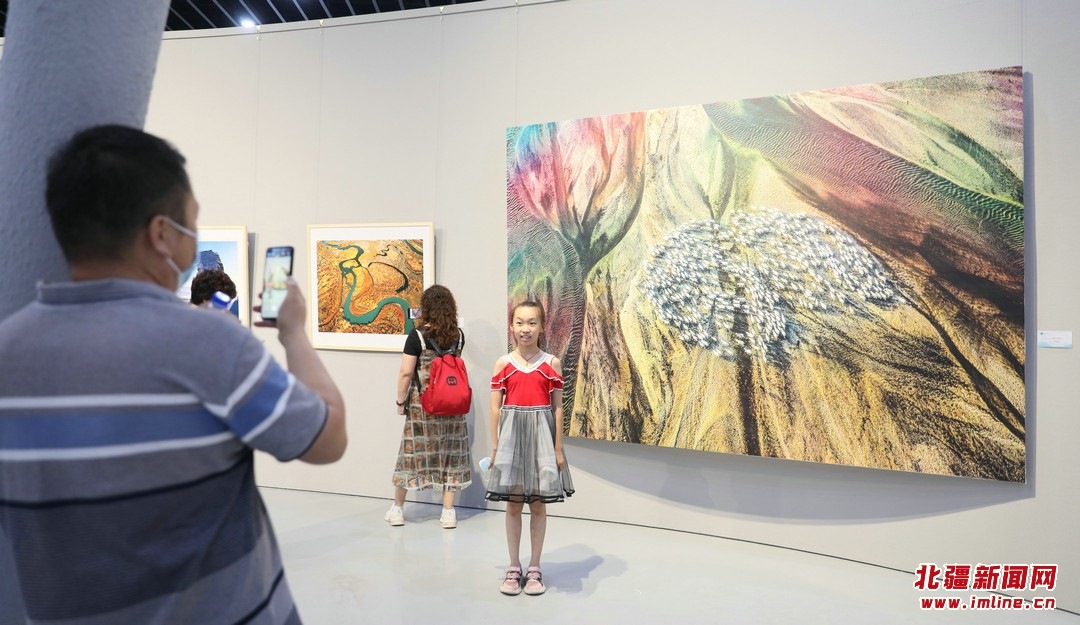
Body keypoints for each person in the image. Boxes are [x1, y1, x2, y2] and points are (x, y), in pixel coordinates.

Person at [0, 125, 347, 625]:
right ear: (161, 234)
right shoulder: (211, 343)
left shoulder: (8, 351)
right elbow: (327, 438)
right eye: (192, 221)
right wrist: (293, 333)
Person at [487, 300, 574, 596]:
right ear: (511, 326)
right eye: (520, 322)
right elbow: (495, 408)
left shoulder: (551, 364)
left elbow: (558, 408)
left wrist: (558, 449)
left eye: (532, 323)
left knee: (538, 503)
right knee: (513, 503)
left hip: (541, 440)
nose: (525, 329)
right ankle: (513, 566)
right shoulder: (503, 364)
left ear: (542, 327)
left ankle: (535, 567)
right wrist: (496, 447)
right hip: (512, 440)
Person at [388, 284, 472, 528]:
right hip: (453, 406)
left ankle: (397, 510)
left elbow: (406, 373)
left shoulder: (417, 336)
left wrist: (400, 401)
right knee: (451, 455)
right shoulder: (458, 336)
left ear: (426, 307)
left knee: (410, 455)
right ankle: (448, 512)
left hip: (422, 407)